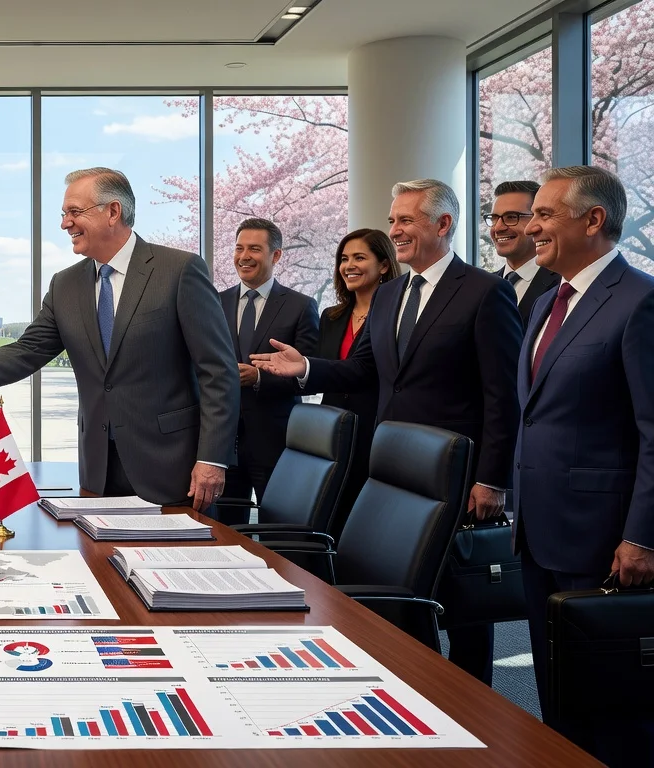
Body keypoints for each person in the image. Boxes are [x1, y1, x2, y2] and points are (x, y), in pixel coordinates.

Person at [251, 178, 522, 686]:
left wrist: (492, 479)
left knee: (464, 605)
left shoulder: (486, 292)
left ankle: (473, 703)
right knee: (402, 594)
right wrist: (306, 367)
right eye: (392, 220)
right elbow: (364, 372)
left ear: (443, 224)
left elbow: (502, 396)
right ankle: (411, 690)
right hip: (394, 467)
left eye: (406, 221)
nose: (394, 230)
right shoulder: (393, 292)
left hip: (456, 471)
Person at [0, 168, 238, 510]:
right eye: (63, 213)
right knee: (101, 564)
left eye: (74, 212)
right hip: (97, 471)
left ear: (112, 212)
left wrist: (212, 459)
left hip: (175, 471)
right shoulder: (64, 285)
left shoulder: (180, 270)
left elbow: (218, 371)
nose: (65, 224)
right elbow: (26, 352)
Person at [514, 165, 654, 765]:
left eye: (545, 214)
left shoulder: (641, 302)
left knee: (613, 715)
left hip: (603, 540)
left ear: (593, 220)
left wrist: (642, 537)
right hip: (538, 533)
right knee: (557, 700)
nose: (531, 226)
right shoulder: (549, 300)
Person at [216, 217, 319, 523]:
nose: (244, 256)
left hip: (274, 440)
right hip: (222, 443)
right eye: (239, 248)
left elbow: (309, 376)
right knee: (223, 528)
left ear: (276, 255)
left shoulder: (301, 306)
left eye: (255, 249)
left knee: (278, 529)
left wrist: (260, 377)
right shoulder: (213, 302)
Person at [316, 228, 398, 535]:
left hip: (374, 431)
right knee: (329, 520)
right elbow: (321, 371)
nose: (348, 265)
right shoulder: (331, 316)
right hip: (333, 432)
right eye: (344, 258)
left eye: (359, 257)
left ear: (384, 265)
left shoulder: (395, 314)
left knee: (367, 526)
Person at [487, 180, 560, 326]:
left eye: (511, 217)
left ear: (537, 221)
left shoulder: (561, 284)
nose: (498, 227)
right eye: (494, 218)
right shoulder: (482, 285)